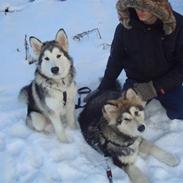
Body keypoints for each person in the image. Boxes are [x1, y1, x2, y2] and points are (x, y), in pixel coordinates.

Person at [85, 0, 183, 120]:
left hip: (167, 83)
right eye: (136, 6)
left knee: (180, 112)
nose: (140, 11)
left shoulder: (178, 25)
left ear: (158, 6)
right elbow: (116, 59)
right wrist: (104, 87)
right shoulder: (125, 27)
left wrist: (153, 88)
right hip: (137, 83)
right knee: (122, 115)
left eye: (145, 7)